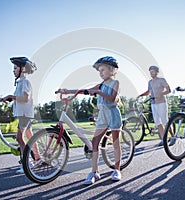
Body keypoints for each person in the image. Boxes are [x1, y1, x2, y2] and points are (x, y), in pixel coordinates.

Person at [59, 56, 122, 185]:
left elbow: (112, 98)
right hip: (102, 115)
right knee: (94, 142)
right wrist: (68, 91)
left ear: (111, 70)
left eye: (103, 70)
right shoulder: (101, 84)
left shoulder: (115, 83)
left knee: (115, 142)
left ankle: (117, 169)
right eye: (99, 71)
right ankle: (94, 172)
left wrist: (98, 92)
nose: (100, 73)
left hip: (113, 113)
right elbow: (85, 90)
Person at [3, 56, 39, 173]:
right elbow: (18, 98)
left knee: (19, 138)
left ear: (23, 69)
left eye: (15, 68)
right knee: (30, 137)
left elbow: (25, 98)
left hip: (25, 114)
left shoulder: (25, 82)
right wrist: (4, 98)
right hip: (24, 114)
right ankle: (37, 159)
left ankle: (27, 163)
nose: (13, 70)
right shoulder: (20, 82)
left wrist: (11, 97)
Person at [137, 66, 173, 146]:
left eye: (153, 71)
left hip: (162, 102)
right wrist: (141, 95)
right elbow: (148, 92)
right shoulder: (150, 82)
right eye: (150, 72)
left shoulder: (161, 80)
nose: (151, 73)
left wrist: (161, 94)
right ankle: (164, 139)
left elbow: (168, 90)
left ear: (157, 72)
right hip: (153, 103)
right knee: (157, 122)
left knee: (164, 121)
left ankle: (173, 137)